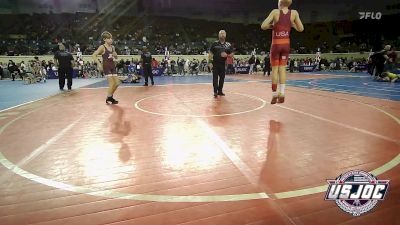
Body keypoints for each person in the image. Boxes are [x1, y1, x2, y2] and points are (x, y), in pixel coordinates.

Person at [261, 0, 304, 104]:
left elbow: (263, 26)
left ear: (280, 3)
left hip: (276, 44)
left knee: (275, 70)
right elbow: (301, 29)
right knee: (282, 69)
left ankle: (274, 94)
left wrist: (272, 26)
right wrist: (291, 24)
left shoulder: (275, 12)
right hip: (286, 45)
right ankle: (282, 93)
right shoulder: (294, 13)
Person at [92, 31, 120, 104]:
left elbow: (115, 56)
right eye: (109, 38)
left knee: (117, 83)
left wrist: (115, 55)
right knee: (111, 83)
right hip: (106, 66)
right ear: (104, 39)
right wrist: (98, 64)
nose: (111, 40)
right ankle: (109, 98)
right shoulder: (102, 47)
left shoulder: (112, 47)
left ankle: (109, 97)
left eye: (111, 38)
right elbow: (94, 55)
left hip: (112, 66)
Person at [208, 30, 234, 98]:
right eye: (221, 33)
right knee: (215, 78)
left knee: (222, 78)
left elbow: (232, 54)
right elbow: (210, 53)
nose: (222, 34)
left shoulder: (228, 45)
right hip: (215, 63)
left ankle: (220, 91)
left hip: (223, 64)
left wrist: (227, 55)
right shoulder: (214, 43)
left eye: (223, 33)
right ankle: (215, 91)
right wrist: (210, 62)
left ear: (225, 35)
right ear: (218, 35)